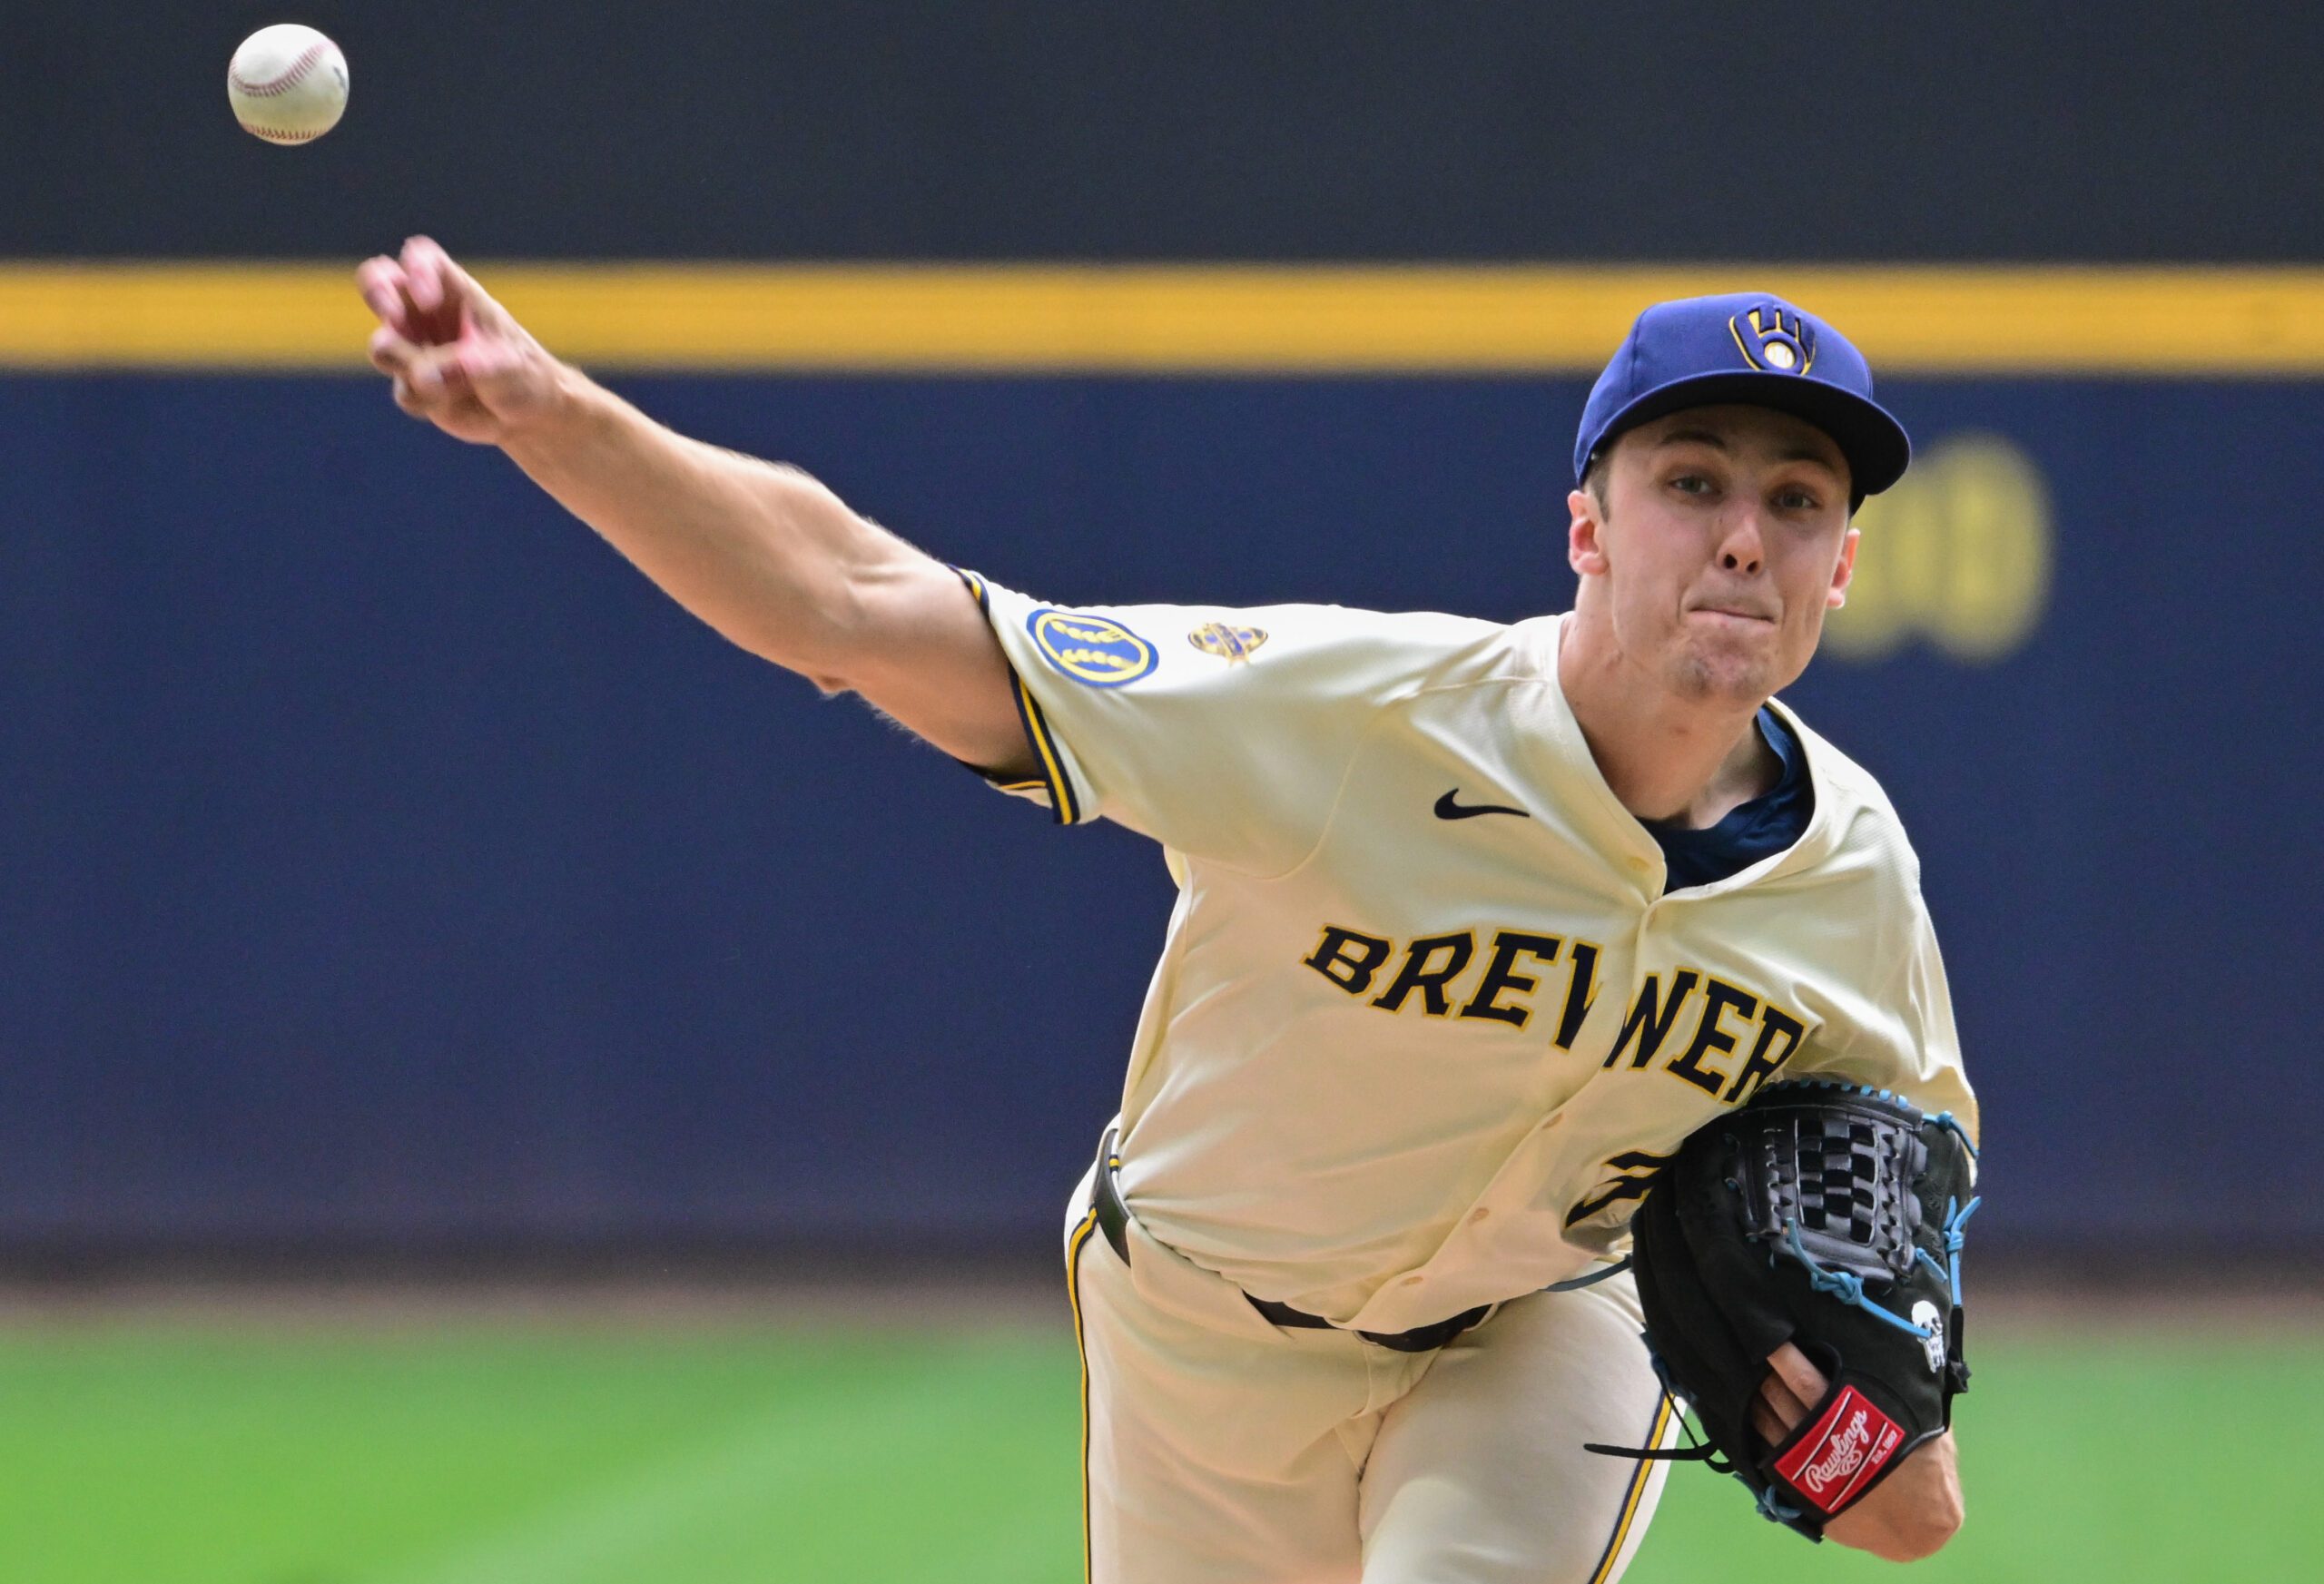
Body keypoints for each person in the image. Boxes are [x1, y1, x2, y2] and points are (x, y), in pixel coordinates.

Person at [357, 240, 1975, 1581]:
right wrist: (547, 411)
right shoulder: (1356, 721)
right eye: (1692, 481)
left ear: (1841, 570)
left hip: (1540, 1332)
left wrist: (1866, 1453)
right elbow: (859, 605)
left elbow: (1906, 1423)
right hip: (1207, 1331)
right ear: (1587, 529)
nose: (1746, 537)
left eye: (1801, 500)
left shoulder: (1851, 883)